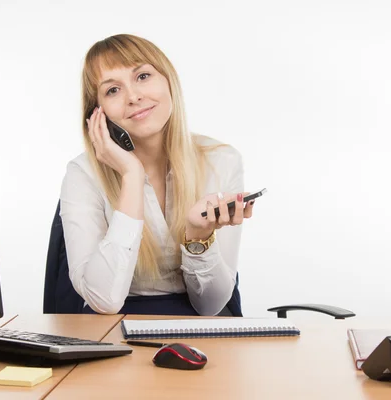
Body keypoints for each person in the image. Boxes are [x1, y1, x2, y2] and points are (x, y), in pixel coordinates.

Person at [60, 34, 257, 316]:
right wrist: (131, 175)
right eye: (113, 90)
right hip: (114, 330)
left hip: (204, 332)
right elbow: (104, 300)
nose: (134, 97)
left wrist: (198, 237)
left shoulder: (221, 161)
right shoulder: (83, 174)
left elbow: (212, 306)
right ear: (98, 115)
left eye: (142, 76)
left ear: (169, 81)